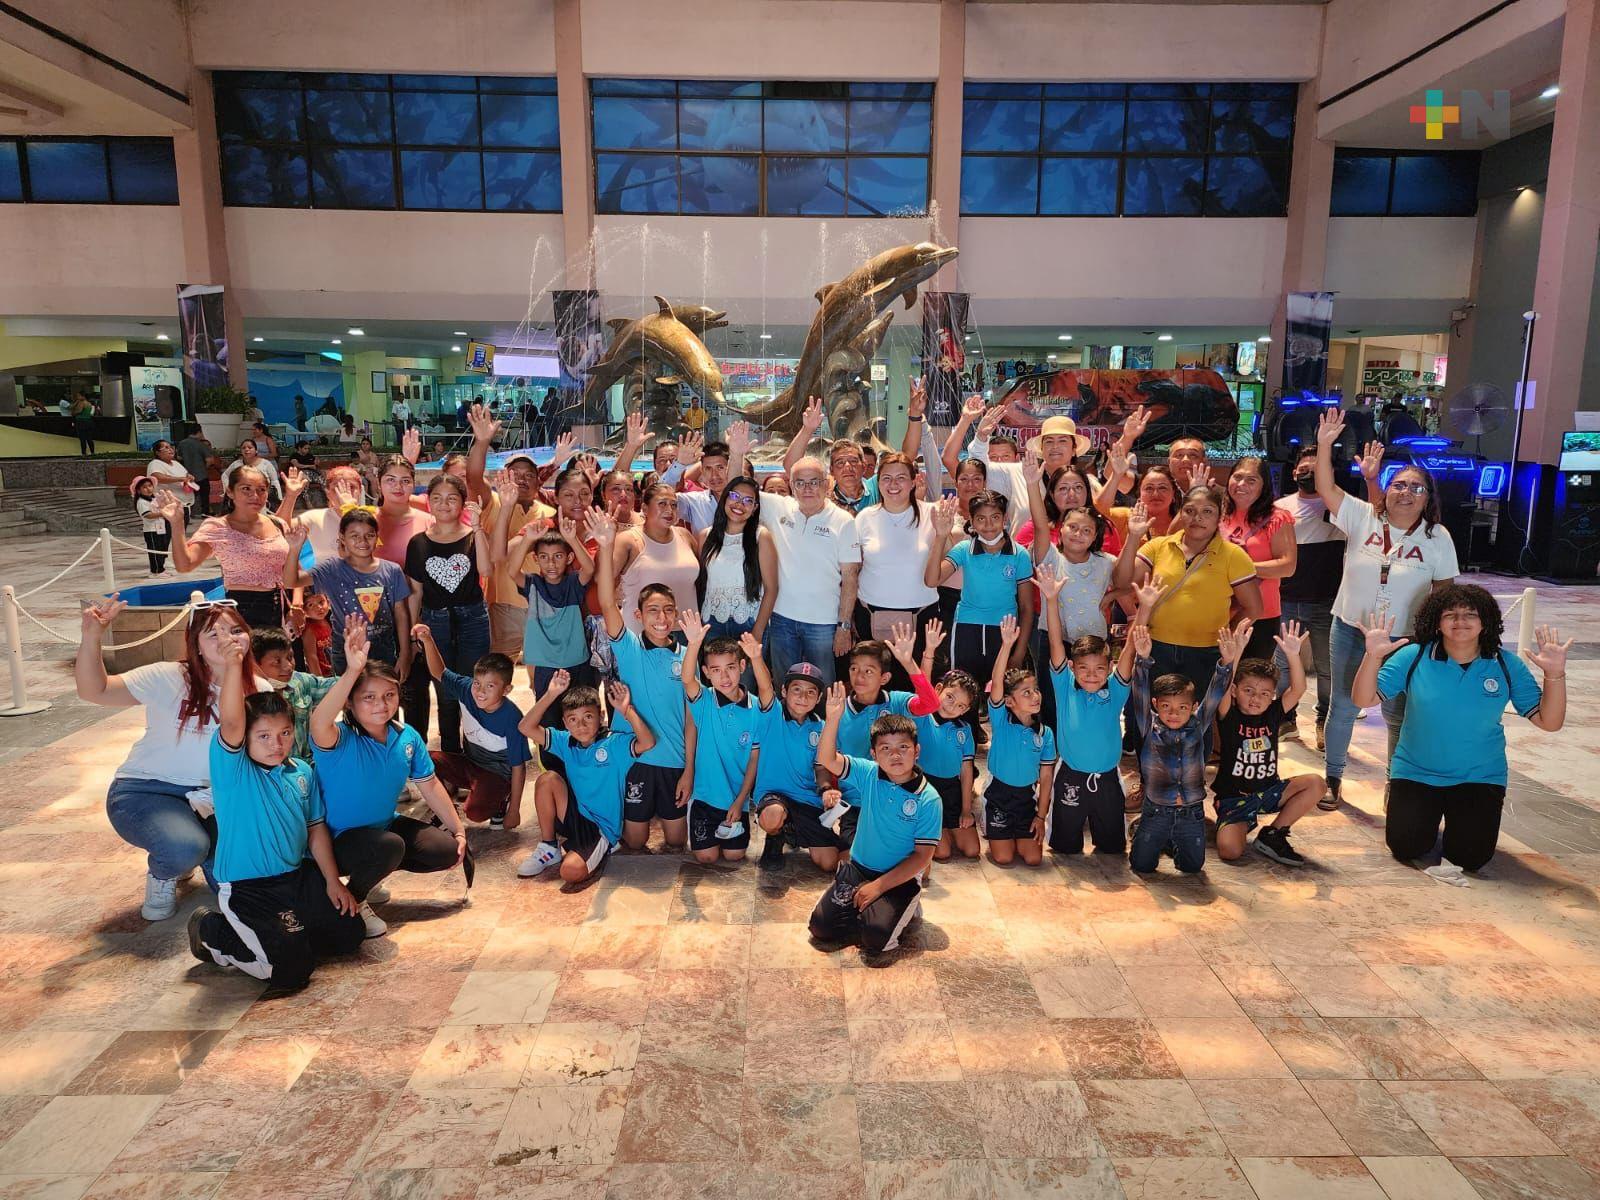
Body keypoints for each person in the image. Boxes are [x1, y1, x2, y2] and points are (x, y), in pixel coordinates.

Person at [187, 641, 364, 996]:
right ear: (245, 739)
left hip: (297, 878)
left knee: (349, 937)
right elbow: (233, 720)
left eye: (284, 733)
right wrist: (235, 665)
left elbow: (315, 830)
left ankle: (288, 933)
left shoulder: (300, 771)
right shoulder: (234, 771)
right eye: (263, 736)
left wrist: (332, 881)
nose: (276, 744)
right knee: (291, 971)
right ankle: (212, 931)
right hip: (250, 888)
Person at [1353, 586, 1568, 875]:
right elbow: (1363, 699)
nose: (1460, 621)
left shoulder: (1505, 664)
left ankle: (1462, 821)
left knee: (1470, 858)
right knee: (1406, 847)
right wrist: (1372, 657)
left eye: (1470, 614)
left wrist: (1555, 675)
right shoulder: (1414, 656)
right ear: (1437, 621)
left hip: (1479, 776)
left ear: (1485, 622)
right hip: (1416, 772)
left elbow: (1549, 722)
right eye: (1450, 614)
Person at [76, 596, 262, 921]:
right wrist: (92, 636)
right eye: (213, 634)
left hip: (215, 799)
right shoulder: (169, 677)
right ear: (196, 645)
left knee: (240, 889)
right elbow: (95, 691)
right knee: (185, 847)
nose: (227, 640)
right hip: (147, 791)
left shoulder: (259, 689)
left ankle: (188, 850)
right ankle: (166, 870)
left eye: (235, 630)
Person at [1312, 409, 1458, 808]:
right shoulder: (1363, 517)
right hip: (1351, 628)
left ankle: (1397, 783)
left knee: (1398, 712)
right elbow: (1326, 487)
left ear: (1428, 498)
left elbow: (1443, 590)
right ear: (1387, 491)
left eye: (1416, 487)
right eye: (1398, 485)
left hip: (1403, 639)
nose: (1406, 492)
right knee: (1342, 705)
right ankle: (1333, 778)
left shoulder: (1437, 537)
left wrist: (1423, 635)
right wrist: (1325, 444)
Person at [311, 620, 468, 938]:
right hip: (339, 839)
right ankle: (355, 899)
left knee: (447, 850)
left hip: (382, 828)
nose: (380, 705)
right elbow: (318, 718)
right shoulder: (336, 738)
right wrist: (352, 671)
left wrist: (458, 829)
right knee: (389, 848)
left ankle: (367, 876)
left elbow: (431, 785)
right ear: (351, 703)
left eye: (388, 695)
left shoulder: (405, 736)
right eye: (368, 698)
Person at [807, 688, 941, 958]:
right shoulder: (868, 773)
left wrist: (879, 887)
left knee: (876, 941)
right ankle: (865, 904)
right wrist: (832, 719)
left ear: (917, 751)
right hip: (859, 868)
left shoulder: (929, 799)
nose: (895, 755)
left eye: (903, 747)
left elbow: (922, 857)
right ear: (873, 754)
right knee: (820, 928)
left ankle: (904, 904)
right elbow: (827, 760)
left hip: (899, 877)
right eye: (885, 749)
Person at [591, 509, 693, 852]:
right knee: (635, 842)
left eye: (667, 610)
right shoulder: (631, 650)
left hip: (673, 761)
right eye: (652, 611)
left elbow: (692, 720)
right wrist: (606, 547)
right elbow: (606, 601)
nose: (661, 618)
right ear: (638, 615)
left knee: (677, 841)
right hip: (636, 759)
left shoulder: (687, 656)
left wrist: (689, 770)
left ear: (676, 614)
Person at [1034, 565, 1146, 856]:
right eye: (1084, 668)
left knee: (1112, 850)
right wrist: (1050, 599)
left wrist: (1143, 608)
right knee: (1065, 849)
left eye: (1099, 669)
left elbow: (1131, 649)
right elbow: (1056, 643)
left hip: (1108, 780)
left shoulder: (1116, 689)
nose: (1092, 675)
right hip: (1070, 777)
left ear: (1109, 668)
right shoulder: (1064, 685)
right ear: (1072, 668)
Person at [1112, 487, 1262, 703]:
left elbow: (1254, 609)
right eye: (1190, 510)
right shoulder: (1159, 546)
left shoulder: (1234, 556)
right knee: (1145, 716)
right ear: (1181, 513)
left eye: (1207, 511)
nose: (1197, 518)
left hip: (1206, 653)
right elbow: (1122, 581)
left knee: (1198, 721)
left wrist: (1225, 637)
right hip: (1154, 649)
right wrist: (1134, 537)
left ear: (1220, 515)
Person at [1128, 618, 1251, 874]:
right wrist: (1142, 660)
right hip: (1156, 810)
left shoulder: (1198, 724)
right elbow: (1138, 691)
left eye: (1182, 707)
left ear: (1193, 707)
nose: (1174, 714)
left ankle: (1173, 842)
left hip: (1191, 812)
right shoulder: (1148, 726)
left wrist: (1227, 662)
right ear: (1155, 705)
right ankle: (1150, 836)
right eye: (1166, 707)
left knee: (1192, 867)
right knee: (1141, 865)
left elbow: (1216, 692)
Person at [516, 675, 655, 883]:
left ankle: (606, 847)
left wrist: (626, 710)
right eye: (573, 719)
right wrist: (551, 694)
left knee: (570, 873)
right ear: (565, 723)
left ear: (601, 716)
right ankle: (548, 846)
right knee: (548, 779)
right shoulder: (566, 742)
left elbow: (647, 742)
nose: (581, 725)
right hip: (574, 815)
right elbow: (525, 727)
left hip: (599, 827)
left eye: (588, 717)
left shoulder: (613, 744)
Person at [1213, 622, 1327, 866]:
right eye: (1249, 691)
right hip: (1235, 798)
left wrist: (1293, 655)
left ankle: (1274, 833)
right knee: (1230, 851)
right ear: (1235, 691)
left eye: (1265, 693)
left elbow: (1298, 689)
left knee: (1316, 784)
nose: (1256, 698)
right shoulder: (1229, 714)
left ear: (1272, 696)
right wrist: (1235, 654)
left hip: (1268, 791)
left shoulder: (1274, 713)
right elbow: (1221, 688)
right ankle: (1238, 824)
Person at [925, 490, 1036, 720]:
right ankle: (965, 747)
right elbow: (931, 580)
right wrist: (940, 536)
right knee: (963, 695)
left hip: (1004, 634)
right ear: (972, 522)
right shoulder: (964, 550)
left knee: (1005, 698)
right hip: (967, 630)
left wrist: (1020, 649)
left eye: (995, 517)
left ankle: (1006, 749)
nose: (988, 525)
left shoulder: (1020, 555)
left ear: (1005, 519)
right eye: (981, 519)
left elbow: (1026, 608)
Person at [491, 478, 596, 714]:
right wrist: (528, 538)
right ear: (536, 560)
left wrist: (571, 539)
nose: (551, 563)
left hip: (576, 660)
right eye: (545, 557)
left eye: (559, 556)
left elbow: (589, 568)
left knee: (580, 714)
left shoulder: (572, 583)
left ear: (568, 559)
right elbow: (510, 569)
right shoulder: (533, 585)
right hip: (545, 665)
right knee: (547, 715)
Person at [403, 475, 491, 754]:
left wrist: (478, 529)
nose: (444, 504)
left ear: (463, 504)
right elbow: (415, 592)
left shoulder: (474, 536)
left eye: (452, 498)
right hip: (435, 623)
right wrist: (413, 632)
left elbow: (487, 570)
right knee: (445, 694)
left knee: (475, 690)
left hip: (473, 620)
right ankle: (452, 762)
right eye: (437, 498)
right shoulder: (417, 543)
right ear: (428, 502)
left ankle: (476, 758)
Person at [759, 455, 862, 688]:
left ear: (827, 485)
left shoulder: (844, 521)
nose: (807, 488)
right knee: (784, 687)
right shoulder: (778, 507)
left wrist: (843, 626)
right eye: (800, 482)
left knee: (823, 688)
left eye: (814, 482)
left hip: (823, 624)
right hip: (781, 619)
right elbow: (735, 485)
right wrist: (736, 451)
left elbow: (850, 578)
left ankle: (824, 725)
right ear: (791, 486)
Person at [413, 626, 530, 831]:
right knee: (422, 759)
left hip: (497, 775)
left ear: (507, 690)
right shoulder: (467, 689)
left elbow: (519, 768)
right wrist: (428, 640)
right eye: (478, 683)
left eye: (490, 686)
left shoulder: (512, 718)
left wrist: (515, 811)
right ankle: (445, 806)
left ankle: (501, 803)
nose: (480, 692)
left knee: (475, 813)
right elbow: (439, 672)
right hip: (470, 764)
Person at [1023, 466, 1114, 722]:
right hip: (1052, 637)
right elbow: (1040, 526)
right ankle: (1052, 749)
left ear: (1095, 536)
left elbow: (1128, 580)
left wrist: (1114, 593)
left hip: (1093, 641)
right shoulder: (1050, 556)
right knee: (1051, 700)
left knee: (1091, 699)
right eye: (1072, 527)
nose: (1078, 534)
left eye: (1086, 530)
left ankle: (1084, 747)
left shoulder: (1104, 561)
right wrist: (1032, 483)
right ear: (1061, 528)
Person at [1274, 445, 1347, 751]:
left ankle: (1323, 721)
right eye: (1304, 469)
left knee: (1326, 667)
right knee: (1281, 665)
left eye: (1317, 470)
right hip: (1286, 598)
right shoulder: (1280, 507)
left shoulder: (1343, 505)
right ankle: (1282, 717)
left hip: (1326, 600)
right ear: (1294, 473)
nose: (1309, 474)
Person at [155, 470, 292, 629]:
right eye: (246, 489)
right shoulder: (218, 527)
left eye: (261, 489)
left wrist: (296, 605)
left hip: (283, 606)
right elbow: (185, 565)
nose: (255, 495)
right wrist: (177, 524)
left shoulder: (276, 523)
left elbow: (292, 567)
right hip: (244, 609)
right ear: (230, 491)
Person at [680, 614, 763, 865]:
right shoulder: (704, 700)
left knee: (734, 855)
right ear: (706, 673)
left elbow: (753, 760)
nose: (724, 677)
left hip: (736, 800)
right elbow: (686, 679)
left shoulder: (757, 708)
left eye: (730, 668)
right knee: (706, 857)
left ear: (742, 666)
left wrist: (740, 802)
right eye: (715, 670)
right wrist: (693, 643)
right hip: (705, 798)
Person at [286, 509, 411, 673]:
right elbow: (291, 581)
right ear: (342, 538)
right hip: (345, 650)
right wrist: (294, 549)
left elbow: (401, 613)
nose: (363, 541)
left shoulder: (392, 570)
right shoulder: (332, 569)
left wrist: (405, 653)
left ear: (377, 537)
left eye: (369, 535)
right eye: (355, 536)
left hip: (383, 648)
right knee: (349, 696)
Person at [853, 452, 940, 685]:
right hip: (870, 614)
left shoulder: (933, 514)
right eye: (886, 478)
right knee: (872, 685)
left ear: (913, 481)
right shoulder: (864, 518)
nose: (893, 485)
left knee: (915, 686)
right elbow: (853, 568)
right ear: (877, 482)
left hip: (921, 616)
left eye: (901, 478)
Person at [748, 648, 837, 871]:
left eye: (810, 692)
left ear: (818, 698)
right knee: (773, 815)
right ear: (784, 691)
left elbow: (821, 765)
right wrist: (756, 657)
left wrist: (826, 789)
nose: (803, 697)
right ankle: (775, 836)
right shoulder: (772, 715)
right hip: (773, 795)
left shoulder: (821, 726)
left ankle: (792, 831)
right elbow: (765, 686)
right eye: (796, 689)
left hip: (807, 799)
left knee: (828, 863)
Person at [980, 616, 1056, 865]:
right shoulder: (1002, 720)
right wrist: (1006, 645)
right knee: (1003, 858)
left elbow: (1046, 779)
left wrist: (1041, 817)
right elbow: (997, 680)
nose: (1034, 696)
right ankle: (992, 826)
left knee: (1033, 859)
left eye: (1035, 690)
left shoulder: (1044, 734)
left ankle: (1013, 832)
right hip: (999, 796)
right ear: (1010, 702)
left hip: (1026, 800)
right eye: (1026, 692)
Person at [1220, 457, 1296, 662]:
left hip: (1261, 616)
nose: (1242, 484)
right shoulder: (1218, 514)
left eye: (1251, 480)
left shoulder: (1277, 517)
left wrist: (1239, 568)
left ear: (1264, 486)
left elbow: (1287, 566)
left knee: (1250, 683)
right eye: (1237, 477)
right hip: (1219, 612)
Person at [696, 475, 778, 647]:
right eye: (735, 496)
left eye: (748, 501)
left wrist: (758, 630)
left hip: (748, 622)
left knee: (748, 674)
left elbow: (772, 589)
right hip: (712, 622)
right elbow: (702, 584)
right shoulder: (705, 536)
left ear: (755, 508)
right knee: (717, 673)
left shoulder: (761, 536)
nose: (739, 504)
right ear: (725, 498)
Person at [837, 623, 940, 758]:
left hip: (894, 779)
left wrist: (909, 664)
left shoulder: (897, 702)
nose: (859, 676)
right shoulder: (838, 710)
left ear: (884, 678)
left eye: (868, 671)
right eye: (854, 669)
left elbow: (930, 704)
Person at [613, 483, 701, 634]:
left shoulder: (685, 536)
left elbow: (700, 583)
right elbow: (604, 583)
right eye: (662, 503)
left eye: (674, 505)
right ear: (645, 508)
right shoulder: (628, 540)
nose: (669, 510)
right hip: (643, 633)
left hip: (687, 633)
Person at [915, 664, 980, 861]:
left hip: (952, 792)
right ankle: (929, 830)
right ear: (938, 690)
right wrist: (929, 653)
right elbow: (920, 685)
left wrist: (966, 810)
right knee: (942, 852)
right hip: (926, 789)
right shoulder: (922, 718)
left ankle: (948, 828)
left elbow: (967, 771)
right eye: (950, 697)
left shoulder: (964, 730)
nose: (952, 707)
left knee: (972, 850)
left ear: (966, 709)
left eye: (960, 705)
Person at [250, 627, 337, 760]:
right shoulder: (248, 698)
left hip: (307, 769)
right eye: (277, 662)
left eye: (290, 657)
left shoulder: (300, 681)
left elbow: (335, 687)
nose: (288, 666)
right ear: (255, 665)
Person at [676, 422, 750, 535]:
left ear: (729, 468)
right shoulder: (694, 502)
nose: (714, 475)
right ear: (702, 472)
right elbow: (659, 498)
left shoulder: (750, 501)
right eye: (708, 469)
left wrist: (737, 455)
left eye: (720, 468)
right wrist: (679, 464)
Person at [146, 440, 195, 525]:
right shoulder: (155, 464)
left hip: (184, 504)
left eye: (171, 447)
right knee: (170, 533)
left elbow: (186, 475)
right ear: (157, 452)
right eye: (166, 447)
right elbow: (158, 477)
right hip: (168, 505)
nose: (171, 449)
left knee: (181, 533)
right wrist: (180, 479)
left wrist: (190, 477)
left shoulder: (176, 463)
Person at [176, 425, 217, 517]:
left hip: (187, 475)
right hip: (201, 474)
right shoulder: (201, 444)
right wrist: (204, 467)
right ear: (199, 432)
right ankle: (205, 512)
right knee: (204, 495)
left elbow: (179, 457)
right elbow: (210, 460)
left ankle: (188, 513)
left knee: (189, 495)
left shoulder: (182, 443)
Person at [132, 477, 168, 575]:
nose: (148, 489)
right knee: (154, 551)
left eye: (150, 486)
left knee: (161, 549)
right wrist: (162, 514)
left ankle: (161, 568)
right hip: (151, 530)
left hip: (160, 528)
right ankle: (156, 571)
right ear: (139, 490)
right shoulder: (141, 502)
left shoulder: (154, 499)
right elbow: (147, 515)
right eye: (144, 487)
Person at [71, 391, 97, 455]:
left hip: (81, 422)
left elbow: (78, 411)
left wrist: (74, 412)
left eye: (78, 396)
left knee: (82, 438)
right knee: (89, 438)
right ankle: (92, 452)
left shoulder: (81, 403)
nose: (77, 397)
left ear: (82, 396)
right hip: (89, 421)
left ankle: (84, 453)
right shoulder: (89, 403)